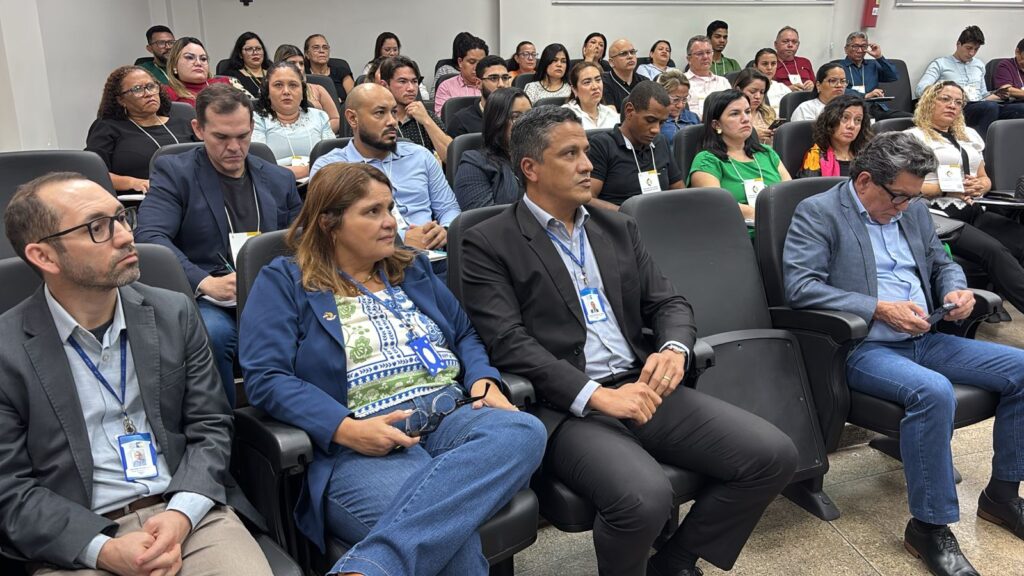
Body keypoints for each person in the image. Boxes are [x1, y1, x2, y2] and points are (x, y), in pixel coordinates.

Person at [460, 105, 798, 576]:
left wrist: (674, 349)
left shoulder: (616, 227)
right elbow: (509, 343)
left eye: (586, 151)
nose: (587, 164)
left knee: (773, 456)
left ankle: (673, 563)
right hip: (566, 407)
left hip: (641, 386)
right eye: (570, 154)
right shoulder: (488, 241)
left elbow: (669, 302)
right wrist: (595, 396)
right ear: (531, 168)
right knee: (644, 498)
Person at [237, 160, 544, 576]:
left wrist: (482, 379)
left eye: (390, 208)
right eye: (372, 211)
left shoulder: (410, 267)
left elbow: (464, 333)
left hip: (452, 416)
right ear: (328, 223)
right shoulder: (286, 281)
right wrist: (346, 429)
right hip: (367, 440)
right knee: (453, 547)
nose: (390, 222)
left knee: (524, 430)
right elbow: (266, 377)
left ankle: (369, 566)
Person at [0, 172, 273, 575]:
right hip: (76, 540)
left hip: (189, 514)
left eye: (121, 217)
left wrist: (181, 514)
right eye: (97, 228)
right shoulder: (7, 350)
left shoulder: (174, 312)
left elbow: (211, 427)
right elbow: (9, 489)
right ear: (44, 257)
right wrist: (102, 549)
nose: (126, 236)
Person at [784, 131, 1024, 576]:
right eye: (898, 196)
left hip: (924, 335)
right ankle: (929, 529)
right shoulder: (819, 212)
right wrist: (878, 308)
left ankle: (1002, 497)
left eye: (913, 197)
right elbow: (801, 287)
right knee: (932, 391)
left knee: (1023, 368)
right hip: (862, 345)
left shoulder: (911, 209)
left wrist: (955, 290)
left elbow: (942, 262)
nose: (906, 206)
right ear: (865, 181)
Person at [136, 85, 302, 406]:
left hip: (273, 288)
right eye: (221, 137)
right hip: (210, 295)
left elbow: (300, 240)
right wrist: (205, 282)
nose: (234, 147)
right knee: (214, 334)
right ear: (198, 129)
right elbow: (150, 237)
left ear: (252, 128)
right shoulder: (175, 173)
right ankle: (223, 426)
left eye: (242, 136)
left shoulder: (278, 179)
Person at [906, 81, 1024, 315]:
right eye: (945, 99)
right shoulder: (913, 138)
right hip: (939, 216)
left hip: (974, 209)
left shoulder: (968, 135)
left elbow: (984, 178)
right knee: (994, 252)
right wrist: (946, 189)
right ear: (929, 102)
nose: (952, 105)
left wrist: (982, 185)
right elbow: (907, 186)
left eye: (958, 102)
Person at [311, 84, 460, 252]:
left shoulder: (421, 156)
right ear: (353, 119)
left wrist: (444, 230)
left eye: (394, 112)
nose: (392, 122)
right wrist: (400, 239)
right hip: (366, 257)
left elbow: (449, 208)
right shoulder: (331, 167)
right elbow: (330, 228)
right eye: (380, 113)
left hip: (432, 253)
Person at [85, 65, 194, 194]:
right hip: (143, 198)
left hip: (192, 193)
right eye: (137, 89)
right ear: (121, 100)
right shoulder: (108, 127)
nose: (148, 94)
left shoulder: (184, 121)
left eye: (151, 86)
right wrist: (132, 183)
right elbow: (93, 173)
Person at [690, 89, 791, 222]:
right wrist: (770, 215)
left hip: (781, 225)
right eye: (735, 114)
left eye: (747, 112)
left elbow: (789, 193)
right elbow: (717, 205)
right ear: (716, 124)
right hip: (737, 231)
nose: (745, 119)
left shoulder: (766, 153)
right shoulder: (707, 161)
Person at [587, 82, 683, 210]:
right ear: (629, 111)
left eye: (661, 123)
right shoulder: (602, 146)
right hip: (621, 220)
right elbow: (587, 198)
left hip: (661, 218)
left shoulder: (660, 142)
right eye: (650, 120)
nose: (656, 129)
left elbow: (679, 192)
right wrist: (629, 215)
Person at [916, 26, 1024, 137]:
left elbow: (982, 95)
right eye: (969, 48)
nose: (972, 53)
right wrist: (945, 93)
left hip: (980, 104)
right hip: (958, 106)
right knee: (990, 107)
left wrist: (997, 94)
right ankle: (983, 145)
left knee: (1020, 109)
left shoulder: (979, 65)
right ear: (958, 44)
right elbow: (920, 89)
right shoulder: (941, 64)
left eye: (976, 49)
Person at [252, 62, 334, 180]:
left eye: (293, 85)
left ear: (302, 91)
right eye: (278, 85)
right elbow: (260, 166)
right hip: (274, 184)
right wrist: (308, 170)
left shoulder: (320, 117)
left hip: (319, 184)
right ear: (267, 92)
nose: (286, 91)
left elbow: (332, 160)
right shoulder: (257, 120)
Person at [453, 87, 530, 210]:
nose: (526, 122)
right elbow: (483, 218)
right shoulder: (474, 164)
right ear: (497, 121)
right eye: (516, 117)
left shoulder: (542, 157)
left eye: (529, 115)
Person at [381, 56, 451, 160]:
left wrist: (426, 121)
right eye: (402, 81)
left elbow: (450, 156)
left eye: (414, 81)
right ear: (385, 85)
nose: (411, 88)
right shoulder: (377, 120)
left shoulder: (426, 115)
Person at [837, 32, 909, 120]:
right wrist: (866, 95)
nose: (860, 50)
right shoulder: (838, 68)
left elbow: (893, 76)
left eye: (863, 46)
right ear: (846, 49)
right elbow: (839, 91)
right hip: (850, 109)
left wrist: (879, 57)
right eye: (855, 46)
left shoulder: (872, 65)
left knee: (911, 118)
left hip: (875, 109)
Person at [797, 95, 871, 178]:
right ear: (831, 120)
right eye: (845, 118)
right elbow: (810, 186)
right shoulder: (815, 157)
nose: (851, 125)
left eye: (858, 120)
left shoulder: (868, 156)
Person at [274, 44, 341, 133]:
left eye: (301, 63)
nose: (299, 68)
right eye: (292, 63)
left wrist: (317, 132)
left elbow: (335, 119)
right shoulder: (272, 92)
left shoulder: (318, 89)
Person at [445, 55, 511, 137]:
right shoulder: (461, 122)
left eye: (505, 78)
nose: (501, 84)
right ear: (478, 83)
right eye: (493, 78)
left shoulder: (518, 114)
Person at [162, 37, 236, 107]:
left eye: (203, 59)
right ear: (174, 64)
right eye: (190, 57)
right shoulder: (166, 93)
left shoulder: (226, 83)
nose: (198, 63)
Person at [434, 36, 489, 116]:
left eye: (481, 62)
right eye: (472, 62)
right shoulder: (446, 87)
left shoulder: (492, 84)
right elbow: (442, 119)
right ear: (460, 62)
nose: (477, 67)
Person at [683, 35, 731, 120]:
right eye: (699, 53)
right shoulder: (681, 81)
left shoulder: (723, 82)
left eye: (708, 52)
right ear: (689, 59)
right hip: (692, 126)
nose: (705, 57)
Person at [562, 60, 618, 130]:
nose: (595, 86)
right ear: (574, 89)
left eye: (598, 80)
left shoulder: (611, 114)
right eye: (587, 82)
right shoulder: (565, 115)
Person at [304, 33, 355, 103]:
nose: (321, 51)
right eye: (316, 48)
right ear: (307, 54)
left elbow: (355, 99)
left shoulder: (341, 71)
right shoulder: (303, 75)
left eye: (325, 47)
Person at [656, 69, 700, 148]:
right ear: (661, 96)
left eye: (684, 99)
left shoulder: (693, 118)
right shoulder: (656, 122)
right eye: (675, 100)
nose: (680, 105)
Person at [733, 68, 778, 145]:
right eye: (752, 92)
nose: (758, 96)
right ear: (738, 90)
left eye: (762, 92)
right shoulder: (731, 114)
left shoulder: (769, 112)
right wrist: (753, 136)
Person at [602, 38, 645, 112]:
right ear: (611, 62)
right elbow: (610, 114)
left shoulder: (644, 82)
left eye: (632, 52)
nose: (630, 56)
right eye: (623, 54)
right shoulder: (603, 82)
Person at [222, 31, 270, 99]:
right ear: (240, 54)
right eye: (249, 49)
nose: (255, 53)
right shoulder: (231, 77)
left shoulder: (274, 73)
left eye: (258, 48)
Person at [773, 27, 814, 91]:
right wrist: (787, 89)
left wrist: (812, 85)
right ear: (776, 44)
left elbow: (817, 86)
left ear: (798, 45)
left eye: (794, 42)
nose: (790, 45)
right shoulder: (770, 63)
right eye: (785, 41)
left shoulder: (805, 62)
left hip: (806, 96)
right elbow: (765, 89)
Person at [754, 48, 793, 115]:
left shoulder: (782, 88)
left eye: (773, 64)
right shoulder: (750, 90)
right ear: (755, 67)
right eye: (765, 64)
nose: (769, 68)